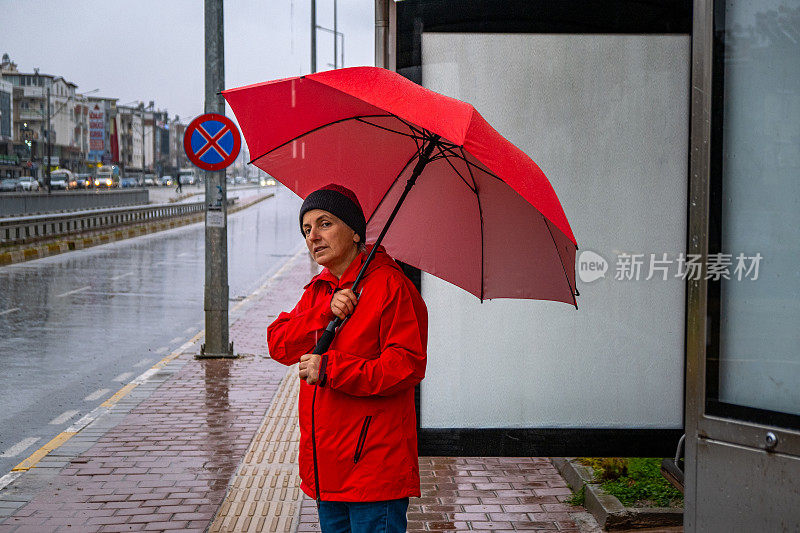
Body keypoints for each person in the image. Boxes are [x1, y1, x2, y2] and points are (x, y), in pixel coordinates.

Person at [267, 184, 428, 533]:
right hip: (328, 470)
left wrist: (331, 369)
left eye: (325, 224)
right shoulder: (321, 289)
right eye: (307, 229)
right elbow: (279, 344)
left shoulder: (391, 287)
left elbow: (406, 367)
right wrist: (324, 312)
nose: (314, 237)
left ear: (355, 231)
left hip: (373, 470)